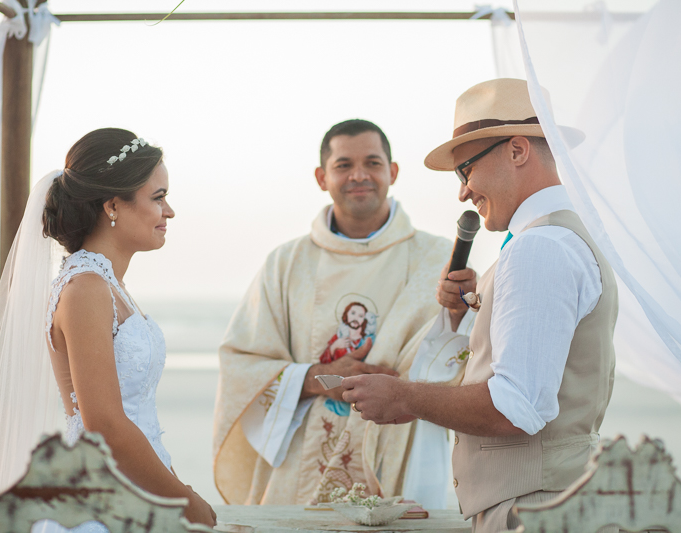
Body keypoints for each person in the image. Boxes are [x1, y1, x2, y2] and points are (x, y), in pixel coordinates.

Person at [341, 79, 619, 532]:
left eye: (465, 170)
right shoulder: (558, 237)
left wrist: (405, 394)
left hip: (533, 512)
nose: (463, 192)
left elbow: (517, 408)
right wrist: (467, 318)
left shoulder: (540, 249)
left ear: (516, 151)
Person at [0, 128, 216, 530]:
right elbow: (104, 423)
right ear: (113, 205)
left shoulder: (108, 286)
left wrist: (171, 484)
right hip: (99, 498)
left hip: (135, 487)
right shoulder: (85, 289)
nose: (169, 211)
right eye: (158, 197)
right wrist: (184, 500)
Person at [212, 119, 456, 506]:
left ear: (392, 172)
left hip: (405, 448)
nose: (359, 175)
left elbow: (466, 355)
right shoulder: (287, 263)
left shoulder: (438, 259)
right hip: (302, 454)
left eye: (372, 163)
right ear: (321, 177)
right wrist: (318, 378)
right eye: (343, 165)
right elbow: (240, 363)